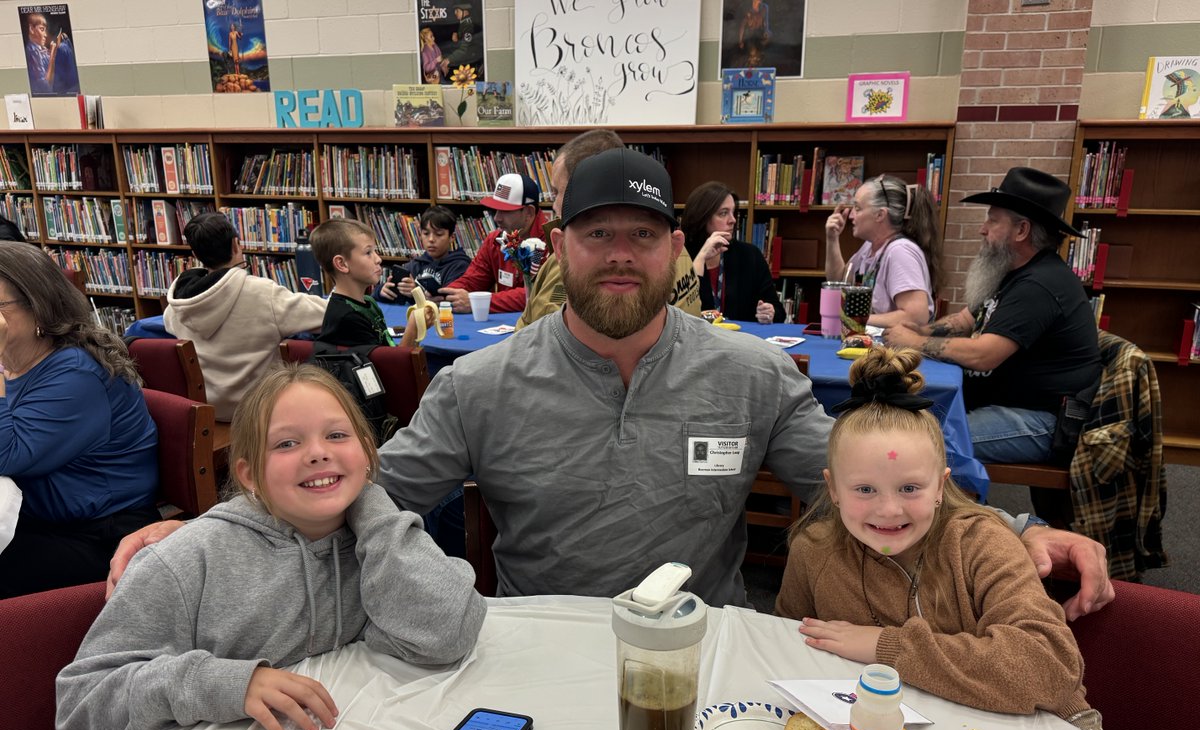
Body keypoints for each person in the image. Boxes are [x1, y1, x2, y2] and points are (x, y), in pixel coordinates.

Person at [108, 154, 1117, 618]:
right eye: (599, 236)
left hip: (703, 650)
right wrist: (204, 534)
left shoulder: (751, 378)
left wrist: (1018, 533)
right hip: (535, 650)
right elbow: (356, 491)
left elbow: (871, 486)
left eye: (643, 235)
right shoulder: (481, 387)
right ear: (561, 248)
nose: (622, 255)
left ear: (679, 250)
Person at [21, 365, 487, 730]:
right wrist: (228, 683)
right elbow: (85, 705)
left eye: (337, 436)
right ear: (247, 474)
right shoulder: (185, 560)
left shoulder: (376, 544)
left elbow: (446, 634)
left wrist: (372, 504)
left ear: (368, 451)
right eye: (287, 443)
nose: (318, 454)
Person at [776, 346, 1101, 730]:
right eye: (864, 489)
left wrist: (885, 646)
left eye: (909, 488)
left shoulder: (980, 543)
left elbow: (1049, 668)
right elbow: (789, 651)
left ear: (940, 487)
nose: (889, 510)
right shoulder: (813, 550)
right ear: (833, 489)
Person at [884, 167, 1103, 465]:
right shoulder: (1012, 272)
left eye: (992, 220)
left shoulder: (1040, 285)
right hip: (1004, 404)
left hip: (1041, 421)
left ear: (1022, 230)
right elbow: (965, 320)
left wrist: (912, 342)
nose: (982, 229)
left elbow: (984, 355)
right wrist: (921, 330)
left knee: (919, 443)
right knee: (899, 417)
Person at [0, 242, 158, 598]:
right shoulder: (12, 362)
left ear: (37, 306)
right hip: (35, 518)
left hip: (100, 534)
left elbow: (6, 455)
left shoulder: (75, 373)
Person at [516, 129, 701, 330]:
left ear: (584, 185)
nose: (554, 204)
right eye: (599, 233)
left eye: (557, 192)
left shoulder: (574, 262)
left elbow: (543, 334)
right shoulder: (671, 249)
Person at [164, 212, 328, 422]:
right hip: (262, 410)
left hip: (212, 411)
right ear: (236, 244)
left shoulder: (180, 302)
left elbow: (168, 323)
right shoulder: (263, 293)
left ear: (195, 253)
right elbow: (328, 315)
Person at [825, 174, 942, 328]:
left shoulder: (900, 252)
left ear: (880, 215)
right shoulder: (869, 247)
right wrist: (832, 238)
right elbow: (840, 282)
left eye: (858, 208)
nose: (851, 215)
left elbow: (917, 317)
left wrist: (856, 319)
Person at [440, 173, 548, 315]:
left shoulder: (552, 242)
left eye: (505, 211)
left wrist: (478, 302)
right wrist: (444, 295)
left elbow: (537, 293)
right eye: (496, 210)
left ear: (529, 212)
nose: (497, 218)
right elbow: (472, 280)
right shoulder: (495, 240)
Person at [681, 181, 782, 323]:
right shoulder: (681, 255)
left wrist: (769, 312)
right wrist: (701, 258)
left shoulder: (750, 255)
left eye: (733, 212)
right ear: (702, 217)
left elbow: (779, 312)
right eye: (723, 213)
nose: (733, 220)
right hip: (698, 336)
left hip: (740, 335)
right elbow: (684, 311)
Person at [312, 218, 395, 348]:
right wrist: (414, 328)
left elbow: (388, 349)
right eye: (368, 252)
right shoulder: (347, 318)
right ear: (342, 264)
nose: (378, 259)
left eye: (375, 251)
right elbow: (389, 361)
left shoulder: (369, 302)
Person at [375, 205, 470, 304]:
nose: (431, 239)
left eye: (439, 234)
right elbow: (376, 294)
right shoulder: (415, 264)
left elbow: (448, 300)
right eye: (426, 233)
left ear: (452, 237)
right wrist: (382, 291)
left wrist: (416, 293)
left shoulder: (460, 266)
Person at [24, 12, 65, 96]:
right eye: (42, 29)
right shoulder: (33, 52)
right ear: (31, 29)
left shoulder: (40, 50)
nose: (45, 35)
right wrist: (52, 56)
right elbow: (46, 87)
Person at [440, 3, 482, 78]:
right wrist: (458, 37)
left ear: (465, 12)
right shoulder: (464, 23)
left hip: (471, 57)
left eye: (457, 10)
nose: (455, 13)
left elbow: (464, 49)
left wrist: (448, 60)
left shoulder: (468, 26)